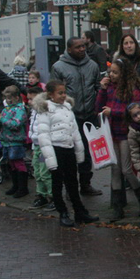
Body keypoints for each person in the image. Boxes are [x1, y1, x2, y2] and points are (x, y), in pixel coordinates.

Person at [34, 80, 99, 227]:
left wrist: (79, 151)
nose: (63, 95)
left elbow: (75, 131)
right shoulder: (45, 110)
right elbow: (43, 136)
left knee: (72, 182)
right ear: (51, 94)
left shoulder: (67, 108)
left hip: (68, 148)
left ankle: (79, 211)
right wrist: (50, 159)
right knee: (57, 183)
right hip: (55, 150)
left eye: (64, 92)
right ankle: (62, 212)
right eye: (60, 93)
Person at [50, 36, 103, 196]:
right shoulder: (59, 67)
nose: (82, 49)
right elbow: (53, 92)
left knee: (86, 152)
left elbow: (98, 87)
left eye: (83, 46)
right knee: (70, 152)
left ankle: (86, 184)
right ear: (69, 49)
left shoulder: (92, 65)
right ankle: (70, 185)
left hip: (89, 115)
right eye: (78, 47)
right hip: (69, 117)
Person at [96, 58, 140, 222]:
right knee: (115, 170)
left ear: (124, 73)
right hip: (111, 134)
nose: (111, 75)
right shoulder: (109, 87)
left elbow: (136, 111)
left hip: (126, 133)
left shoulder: (133, 89)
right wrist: (102, 89)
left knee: (125, 169)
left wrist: (114, 112)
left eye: (115, 72)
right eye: (111, 72)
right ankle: (118, 209)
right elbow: (98, 108)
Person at [0, 85, 29, 199]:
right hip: (7, 141)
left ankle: (23, 188)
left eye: (10, 98)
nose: (8, 101)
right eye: (6, 98)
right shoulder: (6, 109)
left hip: (16, 141)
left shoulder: (20, 110)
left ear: (17, 98)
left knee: (18, 163)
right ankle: (15, 186)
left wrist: (2, 119)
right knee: (12, 164)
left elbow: (16, 124)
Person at [27, 85, 53, 211]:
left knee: (44, 173)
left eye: (31, 99)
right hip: (36, 147)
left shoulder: (44, 111)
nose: (28, 102)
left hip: (44, 148)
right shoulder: (33, 112)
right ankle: (41, 195)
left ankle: (52, 197)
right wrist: (33, 147)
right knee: (37, 172)